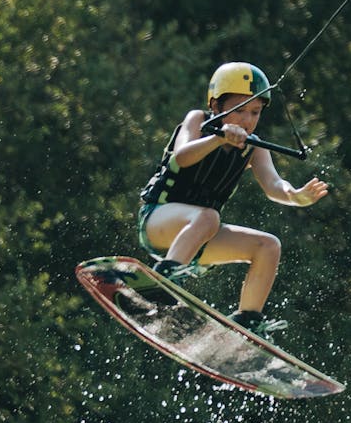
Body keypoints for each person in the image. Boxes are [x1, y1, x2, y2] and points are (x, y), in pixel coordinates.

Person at [138, 62, 328, 340]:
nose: (247, 120)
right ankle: (164, 281)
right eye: (239, 110)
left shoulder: (253, 146)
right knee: (209, 217)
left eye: (255, 112)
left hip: (200, 236)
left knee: (268, 245)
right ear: (216, 106)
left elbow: (274, 185)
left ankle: (246, 322)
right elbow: (182, 157)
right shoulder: (198, 121)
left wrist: (295, 196)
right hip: (158, 220)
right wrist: (217, 139)